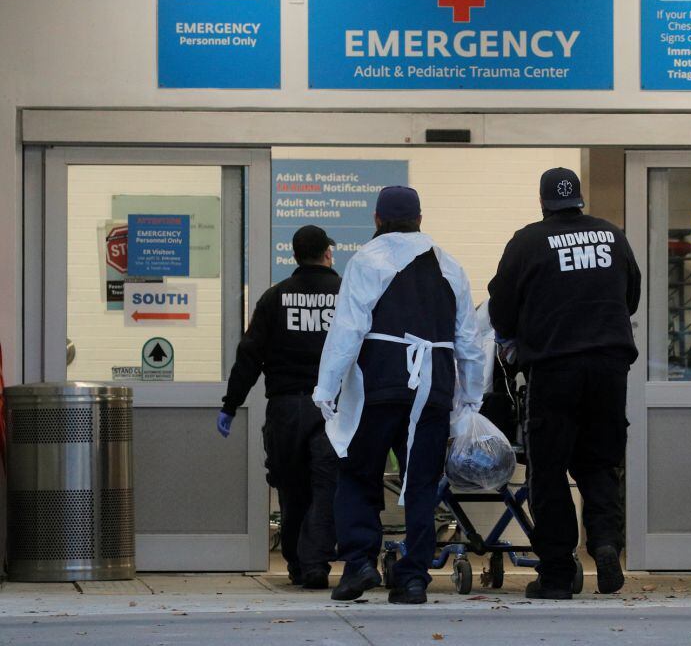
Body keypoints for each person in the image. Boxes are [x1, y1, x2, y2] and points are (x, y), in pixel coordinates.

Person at [313, 186, 484, 605]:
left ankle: (360, 564)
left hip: (378, 384)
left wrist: (327, 387)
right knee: (422, 482)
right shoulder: (450, 265)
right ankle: (412, 580)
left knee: (357, 474)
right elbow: (469, 341)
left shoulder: (367, 260)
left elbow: (348, 328)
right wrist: (471, 399)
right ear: (420, 219)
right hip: (433, 388)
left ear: (376, 220)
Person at [487, 167, 641, 600]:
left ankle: (556, 573)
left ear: (543, 203)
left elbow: (501, 306)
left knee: (548, 471)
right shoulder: (613, 236)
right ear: (579, 200)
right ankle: (606, 544)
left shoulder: (529, 241)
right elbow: (631, 295)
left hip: (554, 369)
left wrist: (515, 340)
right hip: (610, 368)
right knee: (599, 463)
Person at [218, 225, 342, 590]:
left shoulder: (275, 298)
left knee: (291, 488)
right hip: (332, 407)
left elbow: (250, 355)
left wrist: (231, 403)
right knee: (325, 486)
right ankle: (316, 563)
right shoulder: (344, 294)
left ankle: (297, 565)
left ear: (295, 256)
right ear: (327, 254)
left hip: (286, 408)